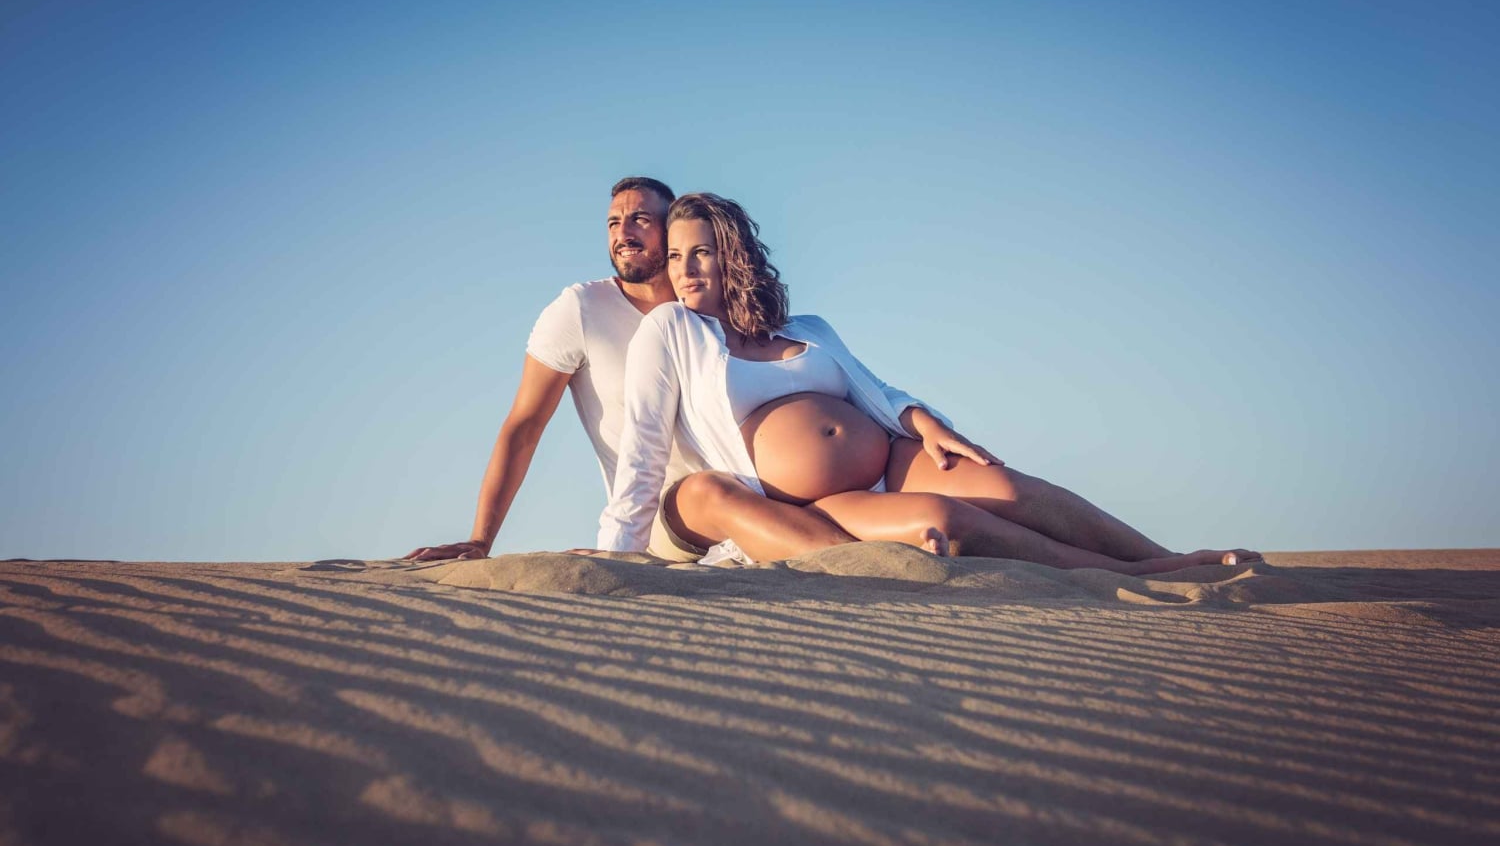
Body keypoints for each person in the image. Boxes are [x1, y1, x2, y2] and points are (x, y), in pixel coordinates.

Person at [597, 192, 1259, 575]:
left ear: (733, 255)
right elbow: (643, 446)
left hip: (891, 458)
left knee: (1007, 487)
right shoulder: (672, 331)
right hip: (816, 503)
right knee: (949, 520)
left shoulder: (809, 328)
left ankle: (1168, 558)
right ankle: (1129, 576)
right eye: (675, 256)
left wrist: (925, 422)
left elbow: (876, 392)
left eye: (701, 252)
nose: (685, 269)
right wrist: (614, 557)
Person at [405, 177, 856, 564]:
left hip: (765, 495)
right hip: (670, 519)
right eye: (613, 223)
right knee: (714, 493)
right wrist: (481, 540)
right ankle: (862, 566)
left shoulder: (709, 305)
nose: (623, 233)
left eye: (640, 219)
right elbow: (524, 426)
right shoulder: (581, 309)